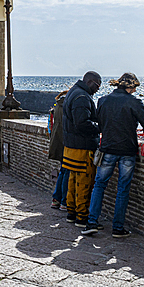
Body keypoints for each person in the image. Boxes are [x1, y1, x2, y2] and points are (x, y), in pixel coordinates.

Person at [83, 73, 144, 237]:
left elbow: (99, 124)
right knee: (123, 189)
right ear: (130, 87)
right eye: (134, 88)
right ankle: (117, 228)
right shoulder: (134, 102)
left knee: (99, 185)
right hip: (126, 151)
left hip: (107, 148)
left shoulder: (102, 100)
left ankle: (92, 222)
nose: (135, 91)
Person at [62, 71, 102, 227]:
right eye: (97, 86)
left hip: (71, 146)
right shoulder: (82, 97)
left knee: (73, 180)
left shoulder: (73, 92)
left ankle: (71, 212)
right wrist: (99, 128)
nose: (98, 90)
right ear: (90, 82)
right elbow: (82, 123)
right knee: (84, 182)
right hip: (82, 147)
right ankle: (82, 216)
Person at [48, 89, 69, 210]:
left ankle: (56, 199)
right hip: (65, 142)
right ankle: (64, 201)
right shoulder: (66, 106)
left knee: (63, 170)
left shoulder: (57, 106)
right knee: (66, 171)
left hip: (57, 142)